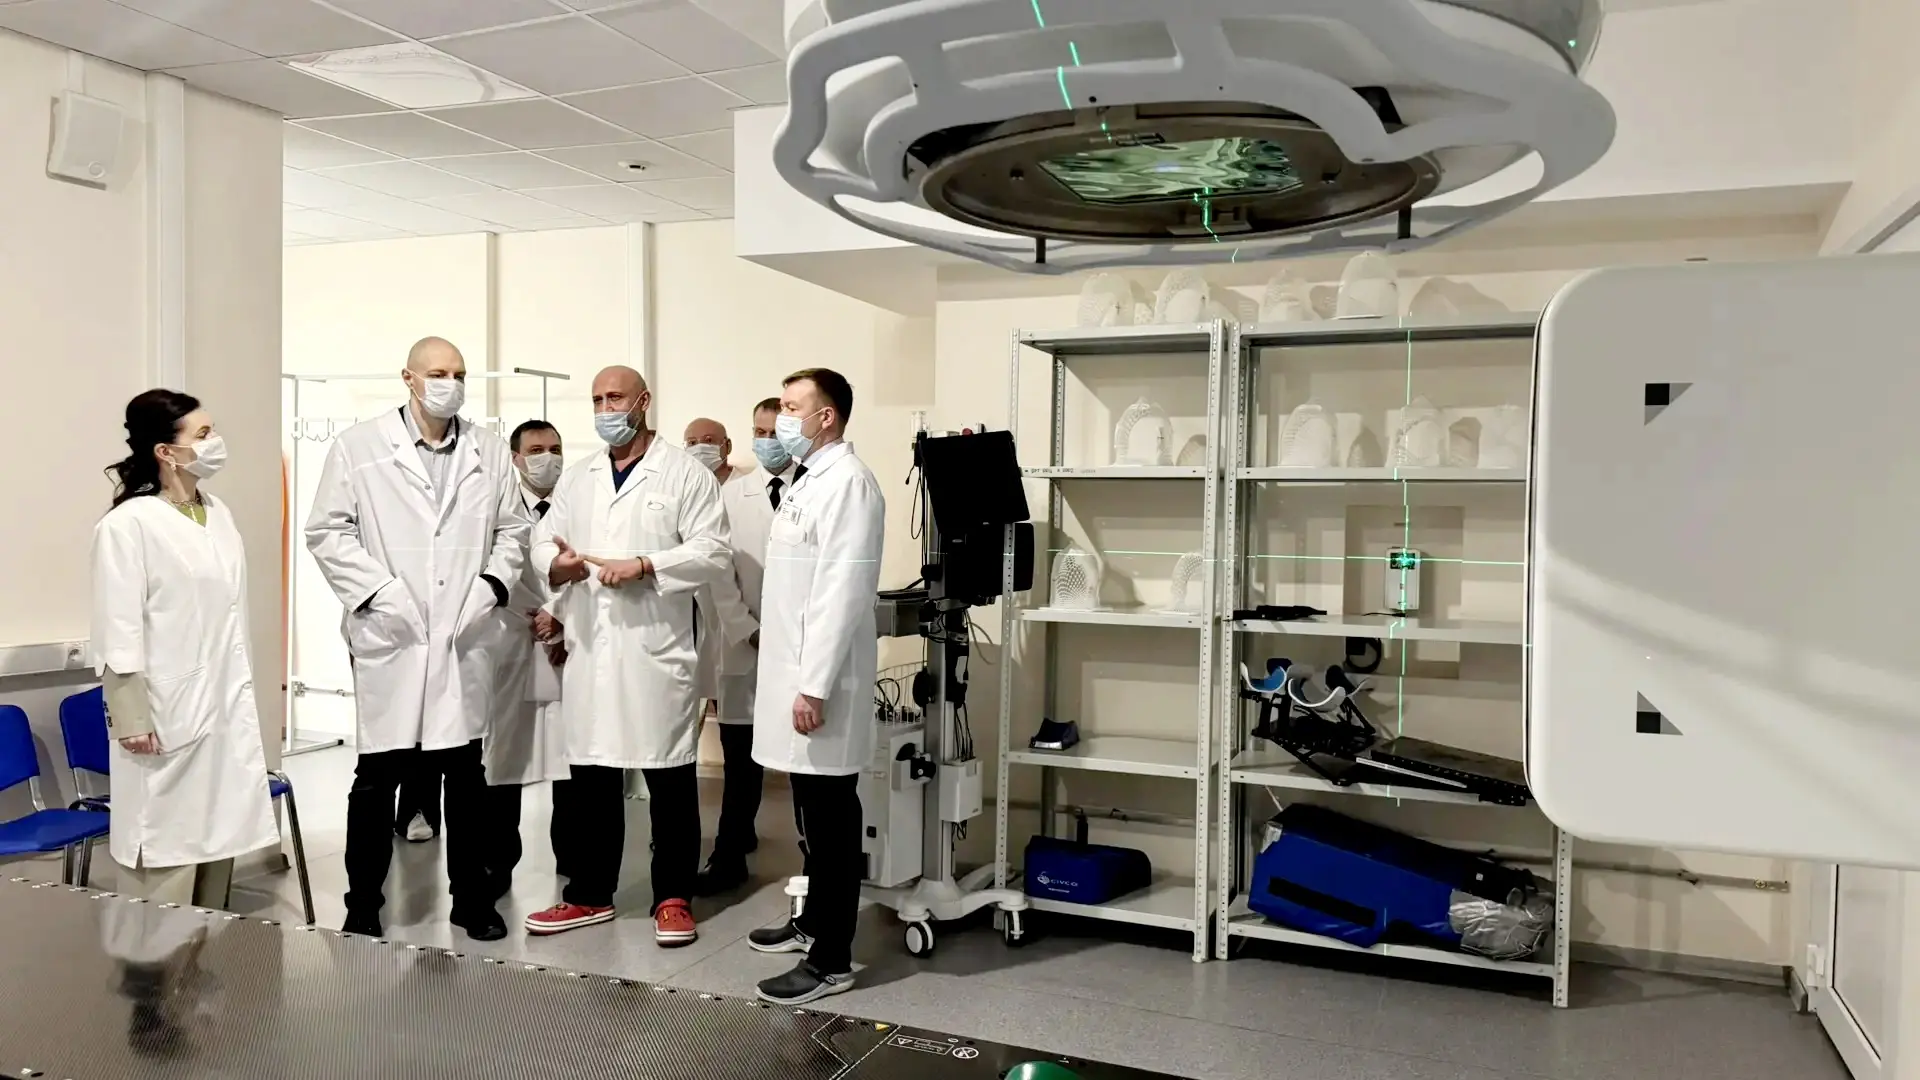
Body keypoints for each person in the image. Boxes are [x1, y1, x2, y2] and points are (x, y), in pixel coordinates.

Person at [304, 336, 529, 942]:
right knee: (377, 780)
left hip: (463, 634)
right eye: (437, 373)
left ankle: (471, 901)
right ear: (408, 378)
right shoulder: (359, 447)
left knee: (466, 777)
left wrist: (492, 585)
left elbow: (514, 530)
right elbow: (326, 532)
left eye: (458, 373)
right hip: (393, 636)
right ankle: (362, 904)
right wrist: (379, 592)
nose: (450, 384)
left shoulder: (487, 449)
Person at [525, 366, 732, 945]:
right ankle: (589, 894)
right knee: (592, 777)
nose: (605, 409)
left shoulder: (686, 474)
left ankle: (673, 897)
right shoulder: (580, 477)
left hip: (655, 650)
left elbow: (713, 551)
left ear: (643, 401)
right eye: (596, 399)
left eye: (614, 397)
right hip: (592, 646)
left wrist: (646, 565)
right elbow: (543, 541)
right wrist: (556, 566)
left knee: (669, 778)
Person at [90, 389, 278, 909]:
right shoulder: (128, 525)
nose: (216, 443)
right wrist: (130, 716)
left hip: (222, 708)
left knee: (218, 848)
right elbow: (116, 627)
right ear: (165, 451)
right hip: (163, 716)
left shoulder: (218, 513)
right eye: (204, 434)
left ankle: (205, 957)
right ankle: (155, 962)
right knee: (165, 860)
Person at [745, 368, 886, 1005]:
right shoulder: (809, 479)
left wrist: (816, 686)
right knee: (809, 811)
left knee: (831, 820)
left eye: (791, 407)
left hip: (821, 683)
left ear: (825, 416)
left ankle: (831, 959)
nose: (781, 420)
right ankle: (812, 923)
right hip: (794, 675)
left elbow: (841, 594)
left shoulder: (850, 484)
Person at [685, 408, 794, 894]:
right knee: (740, 761)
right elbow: (717, 575)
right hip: (742, 645)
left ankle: (817, 859)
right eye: (760, 432)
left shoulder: (815, 488)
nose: (767, 440)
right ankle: (729, 857)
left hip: (799, 647)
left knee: (806, 761)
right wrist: (747, 629)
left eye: (776, 431)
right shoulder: (728, 496)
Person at [479, 420, 574, 905]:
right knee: (505, 756)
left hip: (568, 638)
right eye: (536, 450)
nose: (547, 458)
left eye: (555, 448)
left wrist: (560, 616)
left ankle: (575, 859)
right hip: (511, 636)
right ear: (516, 458)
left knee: (573, 757)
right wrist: (532, 614)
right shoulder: (496, 505)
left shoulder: (578, 500)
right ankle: (497, 861)